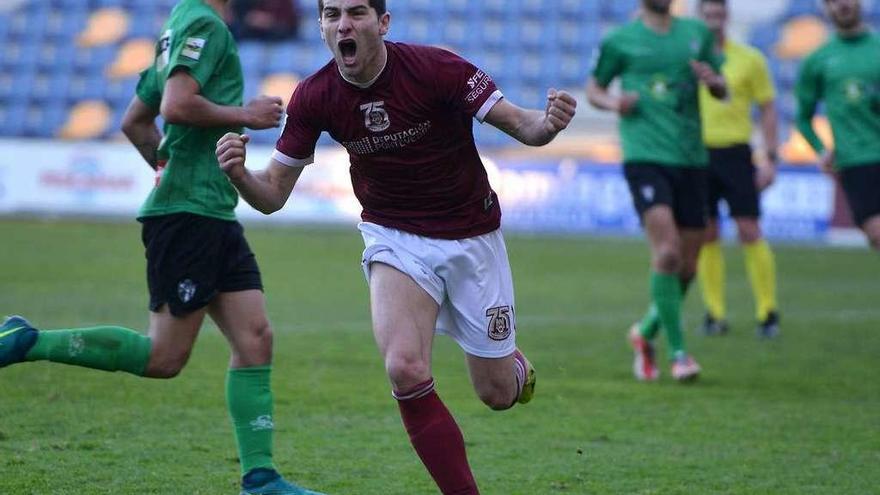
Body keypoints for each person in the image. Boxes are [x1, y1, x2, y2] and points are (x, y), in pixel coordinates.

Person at [215, 1, 576, 492]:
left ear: (382, 23)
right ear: (322, 28)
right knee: (404, 368)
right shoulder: (315, 96)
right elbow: (273, 194)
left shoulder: (438, 69)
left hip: (472, 236)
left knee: (496, 394)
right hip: (393, 236)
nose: (344, 24)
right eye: (331, 14)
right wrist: (239, 175)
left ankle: (511, 364)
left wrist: (549, 123)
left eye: (358, 12)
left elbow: (523, 126)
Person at [0, 1, 323, 494]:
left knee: (255, 338)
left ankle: (261, 479)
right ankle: (28, 341)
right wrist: (244, 114)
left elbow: (136, 120)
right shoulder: (203, 23)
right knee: (164, 358)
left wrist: (166, 167)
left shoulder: (179, 25)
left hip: (210, 210)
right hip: (190, 215)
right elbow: (174, 106)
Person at [586, 0, 726, 382]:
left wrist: (714, 83)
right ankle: (680, 354)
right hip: (645, 156)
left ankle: (644, 333)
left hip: (692, 157)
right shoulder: (620, 40)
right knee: (667, 253)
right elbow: (594, 89)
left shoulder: (695, 34)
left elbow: (721, 86)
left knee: (688, 266)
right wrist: (615, 102)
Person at [696, 0, 781, 338]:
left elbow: (769, 108)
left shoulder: (750, 59)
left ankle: (767, 311)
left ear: (726, 17)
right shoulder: (689, 62)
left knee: (749, 228)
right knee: (707, 232)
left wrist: (771, 157)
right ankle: (715, 313)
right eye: (708, 14)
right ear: (699, 18)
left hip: (736, 153)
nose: (714, 19)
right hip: (697, 153)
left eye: (719, 13)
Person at [796, 0, 880, 251]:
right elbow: (803, 117)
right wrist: (821, 150)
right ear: (825, 8)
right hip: (855, 162)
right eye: (832, 0)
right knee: (875, 234)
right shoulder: (818, 60)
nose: (841, 4)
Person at [230, 0, 300, 41]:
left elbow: (290, 26)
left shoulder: (286, 3)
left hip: (279, 36)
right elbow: (246, 17)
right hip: (257, 35)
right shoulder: (256, 2)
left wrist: (271, 22)